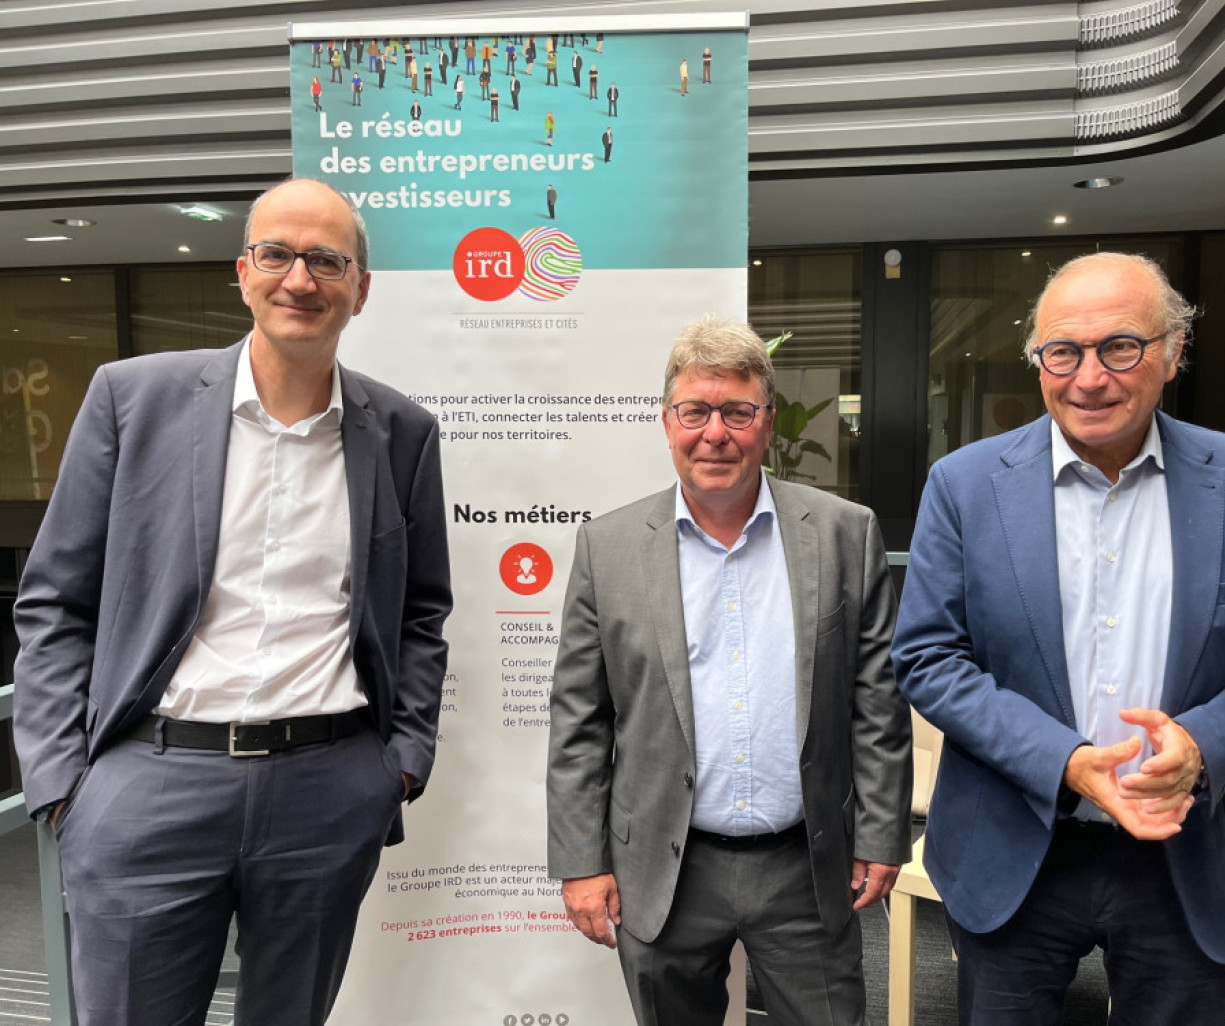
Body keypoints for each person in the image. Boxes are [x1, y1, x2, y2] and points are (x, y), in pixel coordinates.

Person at [12, 177, 453, 1026]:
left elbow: (421, 612)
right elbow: (55, 600)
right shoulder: (130, 399)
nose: (301, 279)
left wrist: (396, 764)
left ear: (360, 289)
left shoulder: (402, 433)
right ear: (242, 270)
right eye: (278, 254)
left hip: (328, 791)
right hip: (148, 783)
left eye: (327, 260)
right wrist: (64, 782)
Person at [893, 252, 1225, 1024]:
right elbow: (928, 657)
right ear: (1038, 360)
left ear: (1171, 352)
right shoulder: (963, 486)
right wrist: (1063, 762)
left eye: (1120, 347)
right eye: (1062, 351)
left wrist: (1198, 748)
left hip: (1188, 851)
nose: (1088, 377)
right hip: (1013, 848)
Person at [547, 317, 912, 1025]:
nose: (715, 432)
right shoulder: (608, 546)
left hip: (805, 865)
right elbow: (579, 721)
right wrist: (580, 861)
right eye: (696, 411)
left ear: (767, 423)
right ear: (667, 421)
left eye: (738, 412)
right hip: (664, 866)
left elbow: (877, 700)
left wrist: (878, 834)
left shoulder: (845, 532)